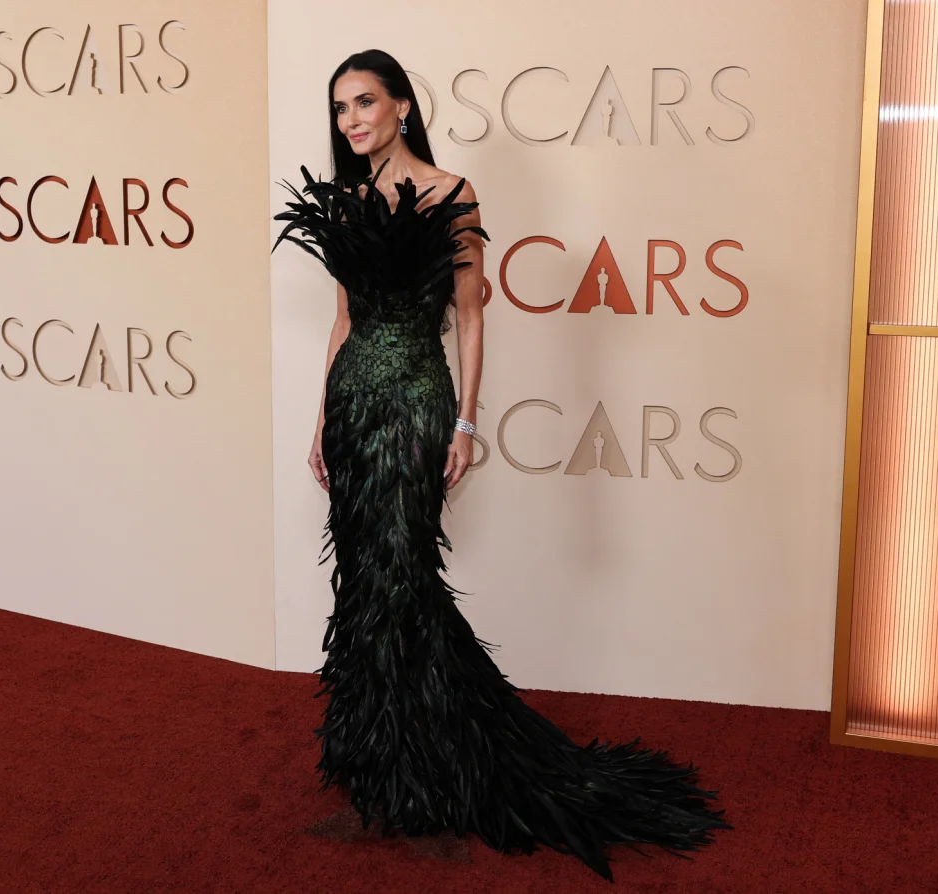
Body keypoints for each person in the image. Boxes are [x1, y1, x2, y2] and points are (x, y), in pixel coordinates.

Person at [272, 48, 728, 881]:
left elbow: (471, 314)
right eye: (339, 109)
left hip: (414, 399)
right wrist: (317, 422)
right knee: (366, 585)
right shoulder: (343, 201)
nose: (351, 121)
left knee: (405, 579)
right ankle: (384, 778)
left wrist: (467, 422)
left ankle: (441, 778)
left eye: (365, 103)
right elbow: (342, 321)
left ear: (402, 106)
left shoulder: (451, 192)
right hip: (350, 405)